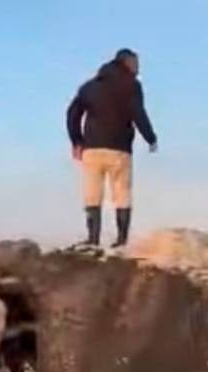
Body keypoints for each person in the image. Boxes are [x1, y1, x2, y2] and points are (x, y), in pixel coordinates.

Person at [66, 48, 158, 247]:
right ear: (126, 63)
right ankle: (121, 240)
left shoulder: (90, 87)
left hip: (92, 148)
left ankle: (92, 239)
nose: (138, 68)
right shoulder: (131, 86)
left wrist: (76, 141)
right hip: (119, 149)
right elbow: (138, 113)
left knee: (92, 192)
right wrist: (150, 138)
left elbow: (73, 113)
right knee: (122, 192)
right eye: (135, 64)